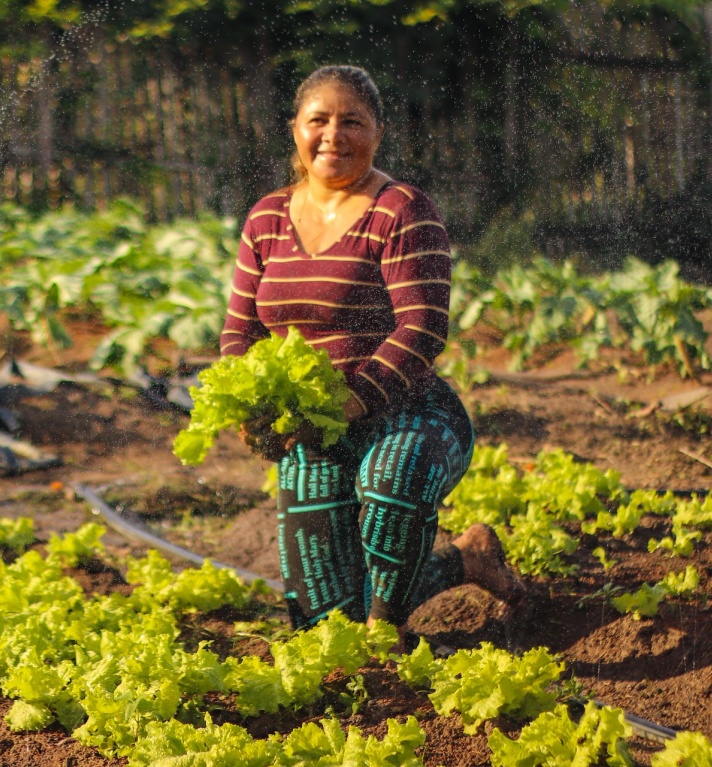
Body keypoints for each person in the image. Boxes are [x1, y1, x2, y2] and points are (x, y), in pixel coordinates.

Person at [221, 65, 526, 648]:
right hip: (316, 429)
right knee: (323, 627)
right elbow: (240, 330)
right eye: (319, 120)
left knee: (390, 485)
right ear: (295, 129)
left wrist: (353, 399)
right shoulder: (266, 218)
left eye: (352, 122)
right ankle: (466, 559)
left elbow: (423, 327)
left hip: (410, 416)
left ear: (378, 133)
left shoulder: (401, 209)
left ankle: (388, 637)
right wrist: (251, 406)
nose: (333, 135)